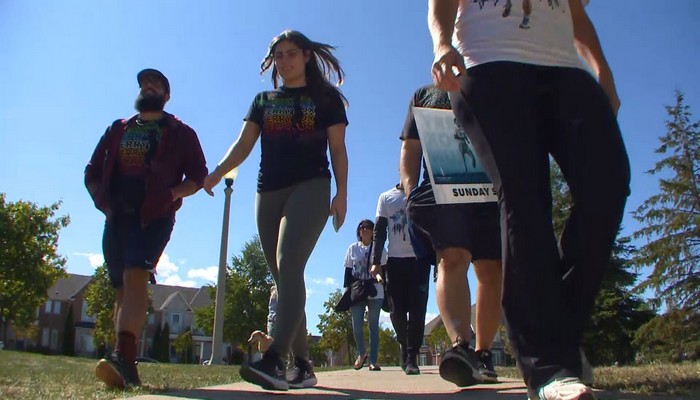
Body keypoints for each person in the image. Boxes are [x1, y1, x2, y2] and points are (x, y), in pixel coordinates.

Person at [428, 1, 630, 399]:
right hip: (487, 65)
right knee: (524, 195)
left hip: (565, 70)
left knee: (607, 184)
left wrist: (602, 68)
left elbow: (575, 12)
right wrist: (441, 44)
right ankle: (547, 366)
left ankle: (561, 334)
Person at [203, 30, 349, 391]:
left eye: (292, 54)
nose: (285, 61)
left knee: (289, 263)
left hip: (312, 186)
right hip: (267, 192)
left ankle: (275, 359)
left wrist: (342, 193)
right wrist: (217, 172)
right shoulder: (263, 100)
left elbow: (338, 149)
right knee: (284, 280)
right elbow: (243, 144)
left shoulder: (326, 98)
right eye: (279, 55)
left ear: (307, 57)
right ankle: (303, 364)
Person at [85, 68, 208, 388]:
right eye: (144, 83)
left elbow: (197, 176)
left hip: (153, 216)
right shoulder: (118, 129)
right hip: (117, 217)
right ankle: (122, 362)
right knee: (121, 289)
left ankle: (123, 359)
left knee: (135, 273)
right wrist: (105, 203)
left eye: (156, 84)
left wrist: (170, 195)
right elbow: (92, 170)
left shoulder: (181, 133)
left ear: (167, 96)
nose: (148, 86)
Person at [400, 85, 502, 385]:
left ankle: (483, 355)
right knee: (451, 258)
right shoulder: (423, 96)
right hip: (443, 188)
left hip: (491, 189)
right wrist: (409, 191)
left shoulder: (494, 80)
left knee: (491, 268)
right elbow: (410, 146)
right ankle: (461, 346)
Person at [370, 184, 431, 375]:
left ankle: (412, 357)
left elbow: (433, 226)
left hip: (420, 260)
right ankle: (404, 344)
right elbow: (379, 231)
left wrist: (437, 259)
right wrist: (376, 261)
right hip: (395, 262)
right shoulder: (386, 197)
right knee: (396, 311)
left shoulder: (424, 193)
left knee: (417, 309)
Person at [344, 219, 386, 372]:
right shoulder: (352, 249)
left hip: (375, 288)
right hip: (357, 289)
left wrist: (383, 282)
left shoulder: (379, 248)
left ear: (373, 231)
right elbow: (348, 272)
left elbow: (384, 269)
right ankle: (362, 354)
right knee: (356, 325)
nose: (364, 230)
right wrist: (347, 290)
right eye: (361, 227)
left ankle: (373, 361)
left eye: (368, 228)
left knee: (373, 325)